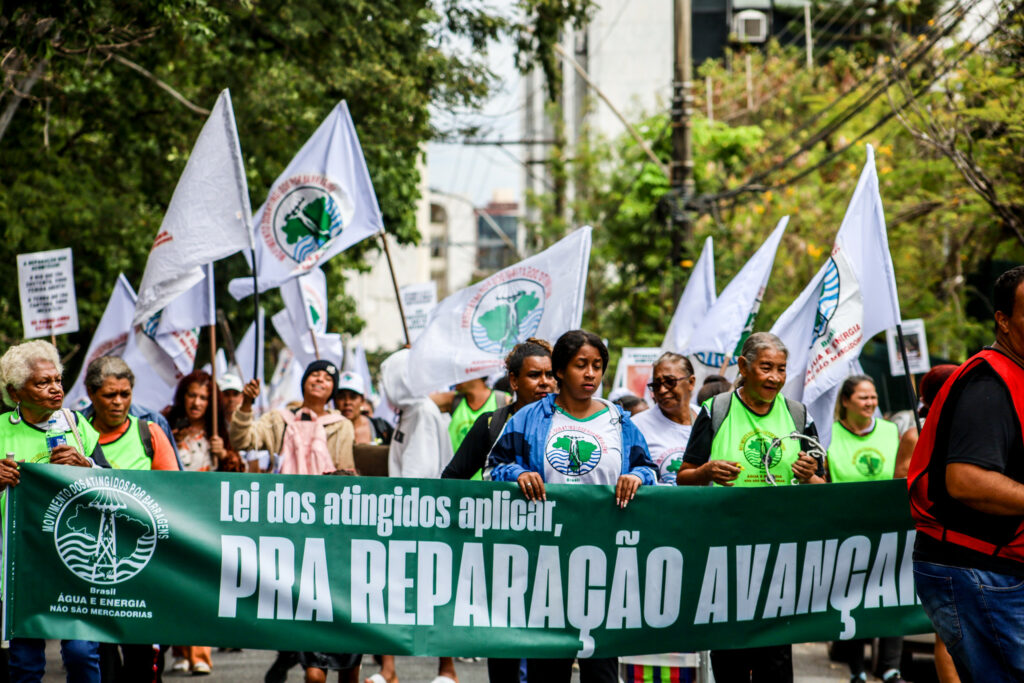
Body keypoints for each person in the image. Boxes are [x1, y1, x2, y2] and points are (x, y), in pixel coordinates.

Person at [488, 329, 656, 683]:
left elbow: (650, 469)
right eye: (582, 365)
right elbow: (493, 468)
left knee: (602, 669)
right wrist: (517, 472)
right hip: (545, 566)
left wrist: (638, 477)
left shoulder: (619, 420)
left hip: (605, 563)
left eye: (598, 366)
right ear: (561, 370)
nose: (591, 374)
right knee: (548, 670)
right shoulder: (528, 418)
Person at [678, 332, 823, 683]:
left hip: (781, 557)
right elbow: (684, 476)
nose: (774, 377)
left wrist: (808, 477)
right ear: (744, 367)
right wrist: (707, 471)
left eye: (781, 369)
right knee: (730, 656)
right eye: (766, 367)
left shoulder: (799, 415)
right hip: (727, 556)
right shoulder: (718, 410)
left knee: (776, 656)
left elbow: (823, 487)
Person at [908, 265, 1024, 680]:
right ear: (1003, 320)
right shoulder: (989, 383)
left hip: (996, 567)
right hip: (979, 570)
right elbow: (966, 480)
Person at [0, 340, 103, 683]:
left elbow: (115, 486)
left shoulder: (77, 425)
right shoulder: (1, 430)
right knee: (26, 663)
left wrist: (85, 464)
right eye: (42, 383)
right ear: (15, 392)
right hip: (20, 565)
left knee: (82, 654)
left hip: (74, 560)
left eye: (57, 380)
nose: (55, 389)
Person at [82, 356, 177, 681]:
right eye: (110, 395)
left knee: (141, 661)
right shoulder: (74, 433)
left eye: (125, 393)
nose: (119, 402)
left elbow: (176, 493)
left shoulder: (148, 433)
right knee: (99, 659)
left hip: (141, 565)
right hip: (89, 568)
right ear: (91, 393)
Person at [826, 375, 905, 683]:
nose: (871, 403)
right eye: (863, 398)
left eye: (873, 397)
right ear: (845, 401)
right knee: (853, 601)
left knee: (890, 598)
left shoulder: (890, 431)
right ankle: (856, 668)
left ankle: (889, 667)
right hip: (846, 532)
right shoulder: (829, 434)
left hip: (887, 531)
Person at [443, 338, 554, 482]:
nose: (544, 382)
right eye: (534, 375)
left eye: (550, 375)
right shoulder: (491, 424)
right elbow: (451, 480)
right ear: (514, 381)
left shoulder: (565, 423)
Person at [230, 360, 355, 474]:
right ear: (304, 382)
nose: (320, 380)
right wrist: (246, 404)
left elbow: (346, 470)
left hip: (325, 494)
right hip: (281, 493)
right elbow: (240, 441)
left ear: (333, 390)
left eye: (328, 379)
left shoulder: (342, 426)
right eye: (315, 375)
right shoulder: (277, 418)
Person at [632, 352, 697, 485]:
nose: (662, 390)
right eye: (656, 385)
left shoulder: (708, 418)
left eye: (670, 382)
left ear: (691, 382)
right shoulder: (637, 426)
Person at [163, 370, 241, 474]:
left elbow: (240, 471)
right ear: (183, 396)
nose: (196, 403)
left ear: (211, 402)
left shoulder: (218, 431)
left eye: (203, 398)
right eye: (192, 395)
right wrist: (172, 443)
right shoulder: (166, 425)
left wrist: (223, 454)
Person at [439, 376, 510, 454]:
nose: (455, 378)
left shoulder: (504, 401)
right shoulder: (453, 400)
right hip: (457, 465)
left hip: (489, 465)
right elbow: (424, 401)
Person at [335, 370, 392, 445]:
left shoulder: (381, 428)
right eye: (341, 397)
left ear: (362, 400)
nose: (347, 402)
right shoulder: (327, 430)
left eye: (353, 397)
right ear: (334, 401)